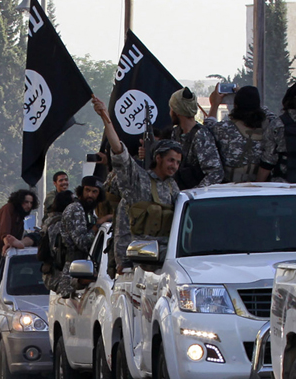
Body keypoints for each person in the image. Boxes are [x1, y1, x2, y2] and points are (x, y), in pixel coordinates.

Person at [93, 95, 181, 275]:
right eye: (171, 160)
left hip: (164, 266)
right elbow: (119, 151)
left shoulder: (174, 188)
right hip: (135, 267)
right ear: (158, 158)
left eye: (178, 162)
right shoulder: (138, 181)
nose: (174, 166)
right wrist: (105, 118)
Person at [205, 85, 273, 183]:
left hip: (231, 190)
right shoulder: (270, 127)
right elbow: (270, 115)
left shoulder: (224, 129)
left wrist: (215, 104)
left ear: (235, 105)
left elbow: (207, 128)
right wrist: (250, 98)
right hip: (261, 189)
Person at [169, 87, 224, 188]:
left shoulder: (201, 136)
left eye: (171, 108)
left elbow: (215, 173)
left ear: (177, 112)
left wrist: (196, 193)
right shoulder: (176, 133)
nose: (170, 112)